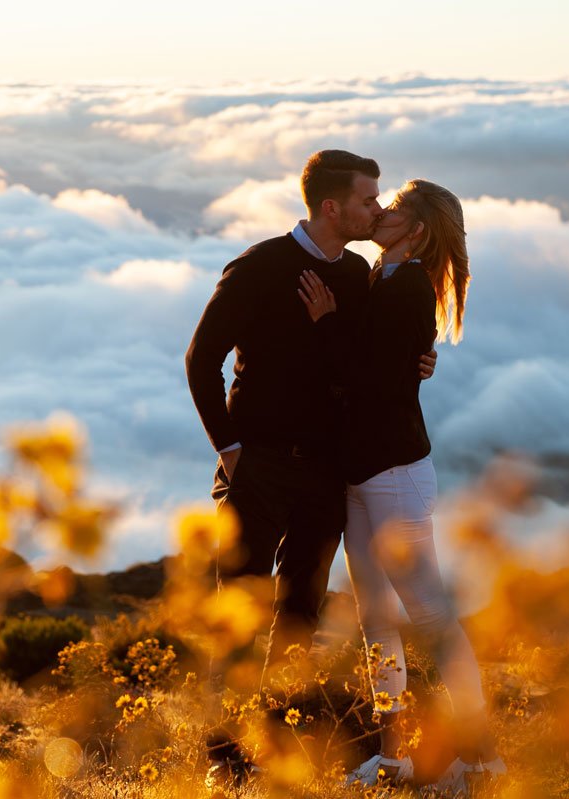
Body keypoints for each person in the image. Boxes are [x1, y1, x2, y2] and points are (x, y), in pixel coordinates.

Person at [185, 150, 435, 781]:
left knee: (300, 616)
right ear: (332, 207)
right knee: (237, 613)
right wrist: (230, 450)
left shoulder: (356, 273)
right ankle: (224, 765)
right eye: (367, 200)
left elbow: (364, 359)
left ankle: (271, 752)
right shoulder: (260, 266)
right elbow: (200, 358)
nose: (376, 210)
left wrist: (416, 363)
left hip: (326, 473)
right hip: (257, 468)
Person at [298, 179, 505, 792]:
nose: (382, 211)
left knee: (431, 615)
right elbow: (387, 365)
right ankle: (396, 757)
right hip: (367, 473)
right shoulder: (379, 275)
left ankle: (483, 759)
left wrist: (329, 326)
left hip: (394, 476)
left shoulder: (409, 286)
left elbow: (378, 384)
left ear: (415, 230)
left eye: (394, 208)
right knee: (375, 618)